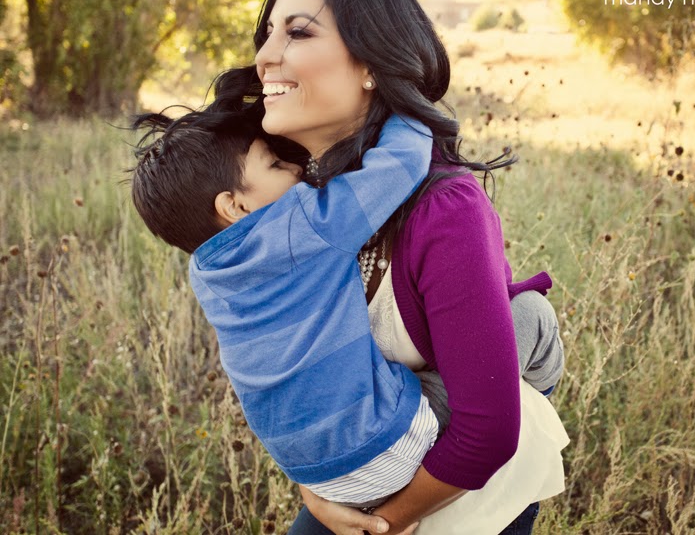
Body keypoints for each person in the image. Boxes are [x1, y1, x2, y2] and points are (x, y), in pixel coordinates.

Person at [209, 0, 568, 535]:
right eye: (267, 33)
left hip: (454, 483)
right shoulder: (288, 201)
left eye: (298, 32)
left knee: (531, 319)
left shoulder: (442, 208)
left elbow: (486, 433)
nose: (265, 55)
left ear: (371, 63)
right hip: (363, 466)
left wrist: (383, 522)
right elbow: (289, 377)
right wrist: (317, 488)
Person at [127, 108, 565, 515]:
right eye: (275, 166)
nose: (296, 169)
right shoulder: (301, 229)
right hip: (388, 447)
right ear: (235, 206)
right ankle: (534, 407)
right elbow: (401, 164)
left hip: (316, 477)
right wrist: (406, 105)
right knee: (532, 314)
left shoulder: (206, 274)